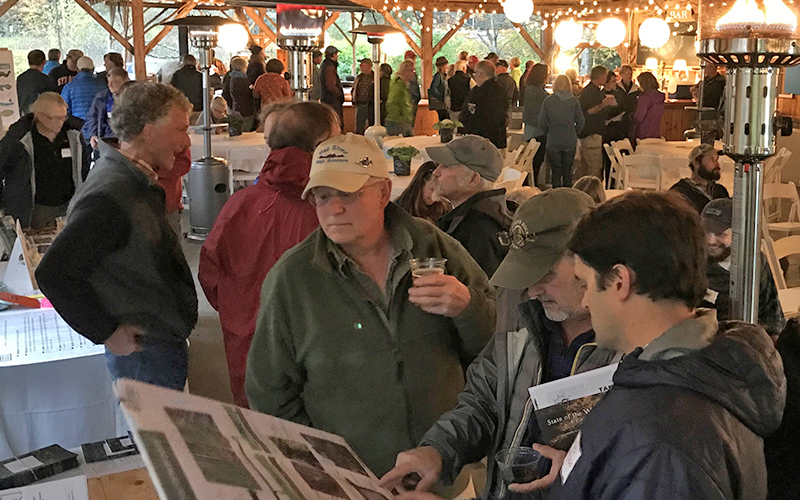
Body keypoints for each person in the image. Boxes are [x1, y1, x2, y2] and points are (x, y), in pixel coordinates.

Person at [245, 133, 496, 476]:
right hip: (350, 483)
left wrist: (467, 308)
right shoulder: (293, 279)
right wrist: (327, 469)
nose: (333, 209)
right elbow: (269, 395)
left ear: (383, 192)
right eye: (321, 197)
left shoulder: (434, 248)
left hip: (442, 473)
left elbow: (497, 350)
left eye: (348, 194)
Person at [380, 189, 619, 500]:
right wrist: (436, 450)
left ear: (592, 263)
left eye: (545, 274)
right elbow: (484, 399)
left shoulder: (632, 343)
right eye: (525, 276)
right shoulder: (520, 309)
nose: (534, 290)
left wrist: (573, 473)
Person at [548, 191, 785, 500]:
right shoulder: (707, 364)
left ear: (620, 281)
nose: (584, 301)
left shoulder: (661, 444)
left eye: (586, 283)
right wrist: (585, 469)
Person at [35, 82, 198, 391]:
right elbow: (54, 273)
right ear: (148, 131)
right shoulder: (114, 193)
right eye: (180, 129)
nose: (185, 140)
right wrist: (107, 332)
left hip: (153, 345)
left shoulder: (129, 180)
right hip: (144, 352)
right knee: (152, 439)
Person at [199, 101, 340, 407]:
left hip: (248, 341)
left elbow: (210, 273)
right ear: (321, 146)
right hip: (315, 348)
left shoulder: (240, 203)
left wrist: (239, 312)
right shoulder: (333, 209)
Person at [0, 92, 90, 229]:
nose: (61, 122)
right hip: (33, 209)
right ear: (40, 116)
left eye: (63, 117)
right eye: (56, 118)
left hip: (68, 206)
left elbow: (84, 168)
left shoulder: (74, 136)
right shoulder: (19, 139)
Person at [699, 198, 785, 337]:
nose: (710, 240)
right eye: (706, 232)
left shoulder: (755, 262)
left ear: (738, 233)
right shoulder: (692, 263)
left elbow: (772, 314)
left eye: (720, 234)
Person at [428, 135, 512, 277]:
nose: (436, 172)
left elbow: (479, 293)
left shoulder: (475, 229)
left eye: (447, 166)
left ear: (473, 179)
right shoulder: (500, 211)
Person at [539, 74, 585, 188]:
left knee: (555, 171)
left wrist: (548, 132)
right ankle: (567, 195)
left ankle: (555, 196)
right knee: (567, 172)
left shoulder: (548, 101)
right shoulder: (574, 101)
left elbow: (541, 121)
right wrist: (575, 132)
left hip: (553, 140)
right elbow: (581, 121)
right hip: (569, 140)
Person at [577, 66, 615, 182]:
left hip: (589, 133)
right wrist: (604, 104)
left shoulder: (592, 90)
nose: (606, 78)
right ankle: (593, 196)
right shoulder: (591, 92)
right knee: (594, 170)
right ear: (599, 77)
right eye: (605, 76)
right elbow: (589, 111)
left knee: (585, 170)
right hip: (591, 134)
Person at [460, 60, 508, 150]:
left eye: (475, 73)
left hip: (486, 140)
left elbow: (494, 117)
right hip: (488, 139)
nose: (474, 77)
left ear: (481, 74)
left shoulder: (492, 92)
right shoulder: (497, 89)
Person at [669, 143, 730, 213]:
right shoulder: (680, 193)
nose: (717, 164)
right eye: (711, 160)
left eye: (716, 159)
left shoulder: (720, 191)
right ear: (696, 164)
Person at [84, 67, 129, 149]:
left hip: (126, 139)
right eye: (108, 82)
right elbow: (92, 117)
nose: (110, 85)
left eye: (114, 82)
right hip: (106, 139)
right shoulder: (101, 97)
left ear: (124, 82)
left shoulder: (133, 97)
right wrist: (93, 134)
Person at [522, 63, 549, 186]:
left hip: (534, 130)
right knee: (535, 162)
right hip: (537, 130)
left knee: (535, 161)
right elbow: (535, 113)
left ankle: (533, 184)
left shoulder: (531, 90)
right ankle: (531, 185)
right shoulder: (535, 92)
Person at [61, 56, 106, 122]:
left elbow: (63, 110)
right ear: (93, 69)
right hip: (98, 125)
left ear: (77, 69)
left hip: (77, 127)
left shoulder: (69, 87)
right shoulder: (103, 85)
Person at [17, 49, 57, 115]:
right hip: (41, 115)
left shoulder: (20, 78)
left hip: (23, 115)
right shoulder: (45, 79)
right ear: (44, 62)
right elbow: (53, 99)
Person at [225, 56, 256, 132]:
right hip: (245, 109)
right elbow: (248, 92)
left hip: (236, 107)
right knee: (245, 130)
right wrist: (252, 89)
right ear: (243, 67)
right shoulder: (242, 80)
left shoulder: (232, 78)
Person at [386, 60, 415, 137]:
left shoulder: (403, 83)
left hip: (402, 121)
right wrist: (400, 119)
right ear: (406, 71)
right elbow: (392, 102)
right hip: (397, 123)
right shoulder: (398, 84)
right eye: (412, 70)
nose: (413, 73)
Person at [632, 71, 665, 141]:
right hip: (656, 132)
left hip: (643, 132)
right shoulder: (660, 97)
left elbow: (639, 117)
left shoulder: (645, 98)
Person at [320, 45, 344, 129]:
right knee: (336, 123)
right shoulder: (330, 67)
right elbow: (330, 85)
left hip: (327, 99)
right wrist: (338, 94)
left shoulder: (324, 65)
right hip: (332, 101)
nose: (337, 56)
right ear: (333, 55)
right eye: (336, 54)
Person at [615, 65, 641, 138]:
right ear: (621, 74)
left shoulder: (636, 88)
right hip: (618, 116)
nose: (629, 75)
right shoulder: (616, 86)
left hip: (630, 117)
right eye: (626, 73)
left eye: (630, 73)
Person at [352, 58, 375, 134]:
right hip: (360, 104)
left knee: (372, 125)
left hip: (371, 106)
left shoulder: (375, 77)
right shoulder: (359, 77)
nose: (360, 66)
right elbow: (353, 89)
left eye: (362, 64)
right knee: (359, 126)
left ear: (369, 66)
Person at [429, 56, 449, 122]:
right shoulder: (438, 76)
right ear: (443, 66)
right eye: (446, 65)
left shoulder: (442, 75)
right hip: (441, 104)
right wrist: (441, 97)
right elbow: (433, 89)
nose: (447, 66)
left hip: (442, 104)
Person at [404, 50, 422, 123]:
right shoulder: (408, 75)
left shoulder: (413, 73)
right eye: (411, 58)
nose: (413, 60)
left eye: (413, 58)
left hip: (412, 101)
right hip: (410, 102)